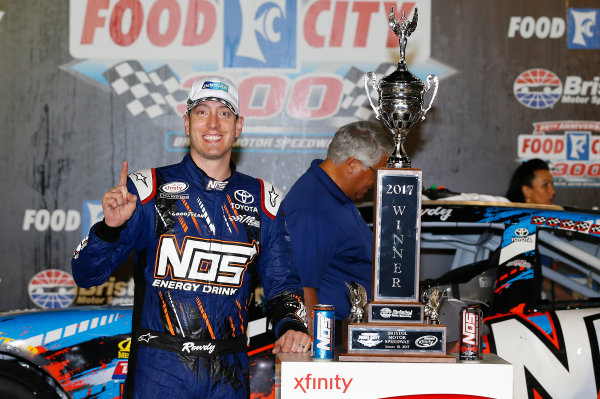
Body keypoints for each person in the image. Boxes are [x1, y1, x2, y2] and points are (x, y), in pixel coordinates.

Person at [71, 76, 310, 399]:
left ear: (238, 126)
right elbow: (86, 275)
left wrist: (291, 325)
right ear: (186, 123)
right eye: (201, 112)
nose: (213, 123)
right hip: (160, 371)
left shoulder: (262, 199)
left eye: (224, 113)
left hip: (229, 374)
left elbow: (283, 285)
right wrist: (109, 229)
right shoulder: (148, 190)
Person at [281, 121, 393, 343]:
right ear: (352, 163)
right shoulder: (312, 207)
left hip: (356, 335)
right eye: (376, 173)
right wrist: (318, 354)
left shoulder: (335, 195)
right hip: (336, 341)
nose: (377, 182)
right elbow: (303, 289)